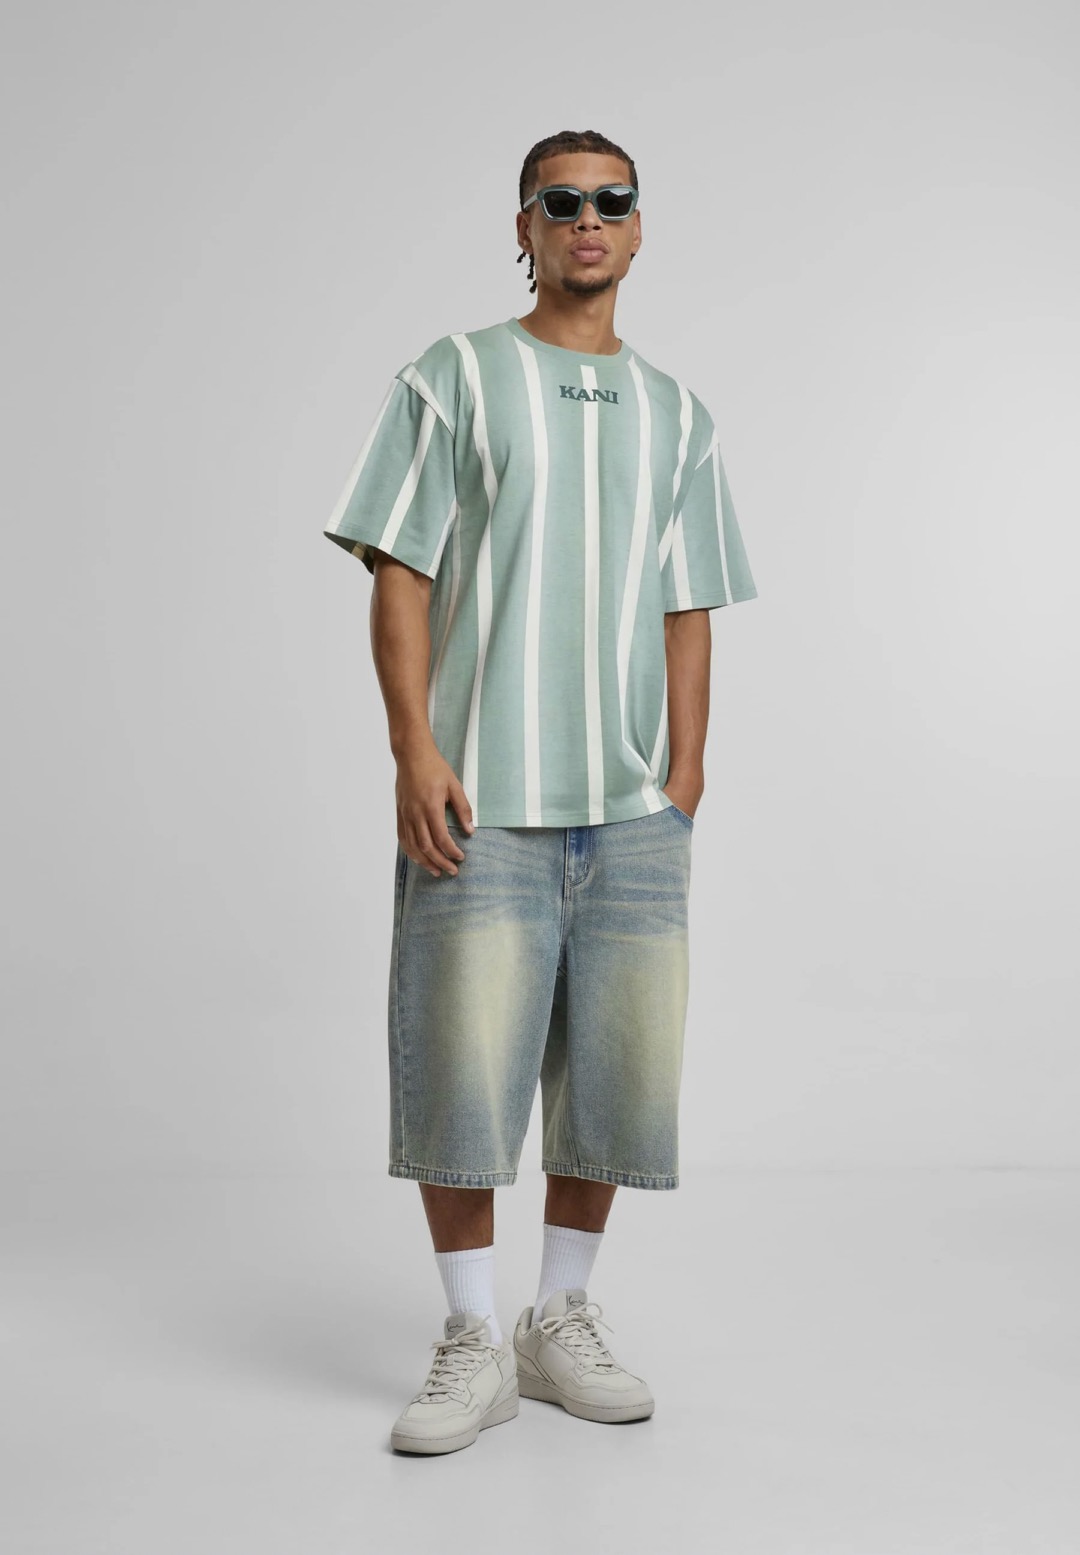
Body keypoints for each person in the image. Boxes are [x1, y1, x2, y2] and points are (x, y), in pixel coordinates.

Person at [322, 128, 758, 1455]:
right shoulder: (454, 376)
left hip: (632, 813)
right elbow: (401, 569)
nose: (587, 218)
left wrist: (685, 777)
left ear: (639, 228)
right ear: (523, 227)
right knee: (461, 1074)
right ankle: (471, 1337)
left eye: (611, 200)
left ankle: (558, 1318)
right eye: (559, 201)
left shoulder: (679, 413)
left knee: (616, 1079)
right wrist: (414, 749)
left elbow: (690, 603)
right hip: (483, 799)